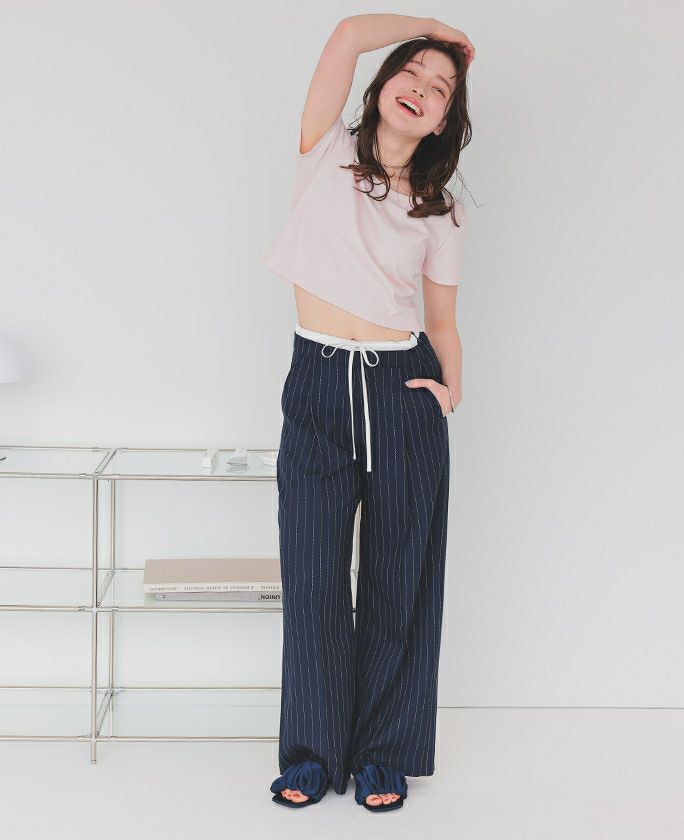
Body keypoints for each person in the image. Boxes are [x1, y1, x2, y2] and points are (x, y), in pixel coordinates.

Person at [261, 13, 475, 812]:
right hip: (317, 384)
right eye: (412, 73)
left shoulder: (441, 211)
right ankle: (312, 755)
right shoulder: (323, 154)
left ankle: (383, 753)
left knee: (397, 582)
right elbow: (348, 33)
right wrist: (433, 31)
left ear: (446, 120)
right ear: (384, 85)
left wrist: (448, 392)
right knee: (314, 577)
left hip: (402, 391)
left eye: (441, 88)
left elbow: (444, 321)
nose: (421, 89)